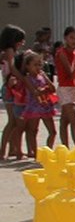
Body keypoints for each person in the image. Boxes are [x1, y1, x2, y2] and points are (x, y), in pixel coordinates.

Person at [19, 49, 58, 151]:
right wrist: (44, 90)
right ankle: (36, 152)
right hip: (34, 107)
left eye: (39, 65)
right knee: (33, 131)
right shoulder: (27, 78)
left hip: (45, 106)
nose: (38, 67)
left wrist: (46, 78)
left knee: (53, 131)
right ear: (27, 66)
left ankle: (48, 150)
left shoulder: (42, 76)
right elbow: (34, 92)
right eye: (35, 65)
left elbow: (53, 88)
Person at [1, 24, 27, 160]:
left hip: (9, 87)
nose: (22, 43)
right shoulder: (9, 50)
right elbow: (12, 68)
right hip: (9, 88)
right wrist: (24, 80)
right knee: (12, 121)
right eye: (21, 40)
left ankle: (12, 149)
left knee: (15, 121)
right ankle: (2, 150)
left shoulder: (5, 51)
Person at [55, 27, 75, 149]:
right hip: (65, 88)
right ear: (65, 38)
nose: (74, 41)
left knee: (65, 121)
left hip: (73, 88)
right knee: (74, 121)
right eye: (71, 37)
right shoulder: (61, 52)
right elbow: (71, 72)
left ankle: (65, 149)